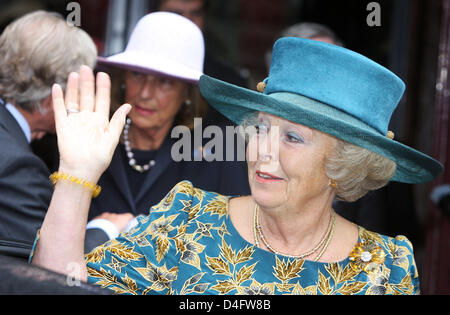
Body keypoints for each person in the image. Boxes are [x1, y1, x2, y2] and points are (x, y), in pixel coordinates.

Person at [31, 37, 443, 295]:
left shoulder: (384, 268)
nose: (263, 150)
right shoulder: (186, 219)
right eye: (261, 128)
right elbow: (61, 287)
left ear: (342, 165)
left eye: (292, 137)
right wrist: (77, 179)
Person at [90, 12, 250, 239]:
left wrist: (130, 227)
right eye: (137, 74)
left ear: (186, 91)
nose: (145, 93)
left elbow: (230, 242)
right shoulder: (93, 138)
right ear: (123, 78)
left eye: (164, 82)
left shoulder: (218, 151)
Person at [0, 10, 103, 249]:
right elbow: (47, 263)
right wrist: (104, 230)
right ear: (50, 99)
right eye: (80, 88)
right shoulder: (17, 169)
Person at [154, 0, 248, 126]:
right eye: (175, 13)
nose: (187, 22)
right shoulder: (128, 71)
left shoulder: (228, 84)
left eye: (195, 13)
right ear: (152, 16)